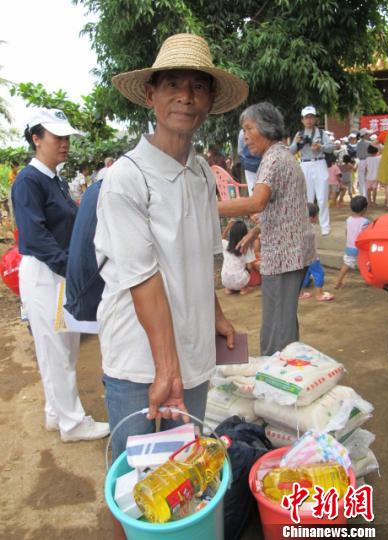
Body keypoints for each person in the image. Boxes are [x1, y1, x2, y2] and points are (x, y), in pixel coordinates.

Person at [96, 34, 247, 538]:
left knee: (183, 478)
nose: (186, 96)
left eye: (197, 86)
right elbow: (142, 278)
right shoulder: (126, 178)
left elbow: (201, 255)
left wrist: (215, 315)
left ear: (209, 100)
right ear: (151, 95)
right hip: (142, 362)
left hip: (191, 358)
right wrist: (166, 368)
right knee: (134, 485)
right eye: (173, 85)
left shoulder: (201, 172)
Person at [11, 108, 110, 442]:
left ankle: (56, 413)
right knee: (55, 348)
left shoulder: (54, 179)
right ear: (36, 139)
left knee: (65, 346)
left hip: (58, 270)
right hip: (45, 271)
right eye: (57, 137)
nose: (64, 143)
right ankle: (72, 423)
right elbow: (35, 235)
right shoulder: (29, 181)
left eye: (66, 137)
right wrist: (72, 267)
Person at [218, 101, 316, 357]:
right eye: (244, 130)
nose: (245, 136)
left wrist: (208, 207)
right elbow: (282, 207)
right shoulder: (281, 156)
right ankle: (284, 366)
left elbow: (257, 202)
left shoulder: (273, 159)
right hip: (290, 250)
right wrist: (254, 231)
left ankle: (276, 370)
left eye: (248, 128)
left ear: (266, 128)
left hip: (285, 253)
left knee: (277, 328)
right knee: (283, 320)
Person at [289, 105, 335, 236]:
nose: (309, 120)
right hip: (305, 164)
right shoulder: (299, 134)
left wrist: (320, 146)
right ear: (302, 120)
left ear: (315, 119)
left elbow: (331, 147)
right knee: (307, 196)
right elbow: (291, 151)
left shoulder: (321, 133)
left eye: (311, 117)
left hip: (319, 162)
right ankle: (307, 225)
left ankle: (325, 226)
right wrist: (296, 143)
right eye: (306, 117)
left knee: (322, 197)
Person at [299, 203, 334, 302]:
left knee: (303, 275)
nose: (317, 218)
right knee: (319, 273)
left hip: (302, 258)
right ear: (312, 217)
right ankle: (319, 294)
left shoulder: (300, 227)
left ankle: (300, 293)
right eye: (317, 215)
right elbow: (310, 247)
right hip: (311, 257)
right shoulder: (310, 230)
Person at [335, 196, 370, 289]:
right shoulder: (365, 222)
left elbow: (346, 232)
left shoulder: (348, 220)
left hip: (350, 247)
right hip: (361, 248)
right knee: (367, 264)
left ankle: (338, 282)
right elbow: (366, 235)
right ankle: (369, 280)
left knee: (347, 264)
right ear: (364, 209)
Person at [221, 219, 256, 295]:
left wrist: (228, 227)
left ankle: (229, 289)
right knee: (246, 271)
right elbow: (249, 267)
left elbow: (221, 239)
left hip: (225, 280)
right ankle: (243, 289)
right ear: (245, 234)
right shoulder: (247, 248)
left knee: (231, 272)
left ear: (231, 234)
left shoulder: (225, 244)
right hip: (240, 281)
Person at [238, 129, 261, 195]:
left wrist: (246, 162)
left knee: (252, 192)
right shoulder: (263, 128)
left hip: (249, 166)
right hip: (262, 164)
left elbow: (240, 152)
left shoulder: (242, 132)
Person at [356, 128, 373, 197]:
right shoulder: (369, 143)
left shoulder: (358, 143)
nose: (369, 135)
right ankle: (366, 196)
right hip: (367, 161)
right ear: (365, 135)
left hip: (360, 162)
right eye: (368, 134)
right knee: (367, 179)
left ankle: (362, 196)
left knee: (361, 180)